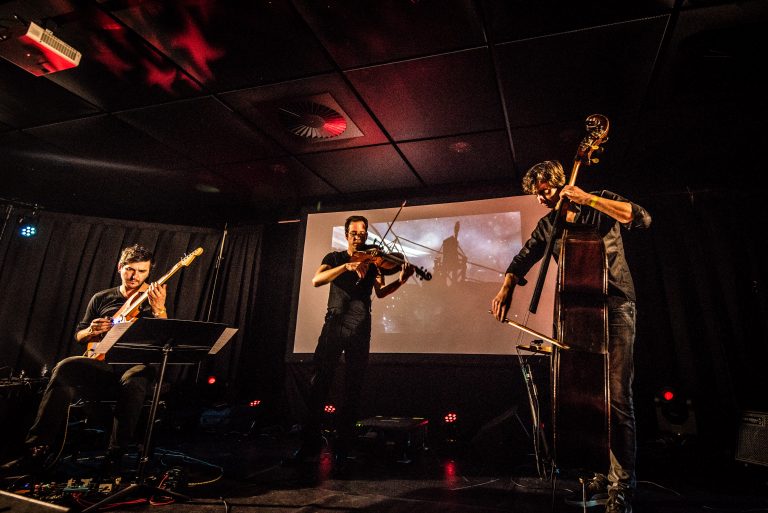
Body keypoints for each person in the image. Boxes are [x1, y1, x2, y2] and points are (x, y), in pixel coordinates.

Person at [490, 161, 651, 513]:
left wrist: (588, 199)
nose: (542, 198)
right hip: (578, 314)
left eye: (545, 190)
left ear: (561, 183)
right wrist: (506, 288)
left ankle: (622, 484)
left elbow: (639, 217)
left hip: (617, 307)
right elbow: (523, 258)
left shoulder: (600, 202)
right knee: (588, 398)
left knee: (618, 400)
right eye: (537, 194)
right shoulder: (550, 224)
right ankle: (598, 472)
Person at [1, 244, 168, 476]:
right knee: (66, 366)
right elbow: (79, 335)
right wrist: (91, 330)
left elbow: (162, 339)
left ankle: (115, 456)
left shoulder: (152, 298)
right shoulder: (101, 298)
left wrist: (160, 310)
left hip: (134, 365)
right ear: (120, 267)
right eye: (130, 269)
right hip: (102, 364)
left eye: (141, 271)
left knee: (135, 379)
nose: (134, 276)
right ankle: (37, 448)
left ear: (148, 272)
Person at [290, 215, 414, 469]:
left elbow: (380, 292)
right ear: (346, 234)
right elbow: (317, 280)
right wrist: (346, 267)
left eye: (363, 233)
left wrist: (400, 280)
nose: (359, 237)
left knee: (353, 388)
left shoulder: (373, 262)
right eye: (354, 233)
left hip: (360, 327)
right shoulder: (334, 258)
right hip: (334, 324)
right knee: (319, 385)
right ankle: (309, 444)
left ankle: (343, 447)